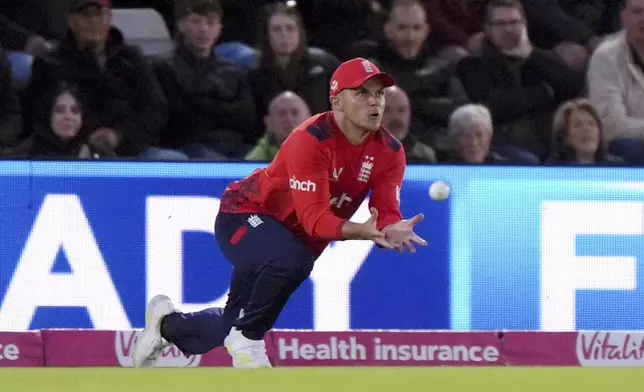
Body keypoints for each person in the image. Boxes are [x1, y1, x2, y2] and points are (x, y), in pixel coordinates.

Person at [132, 57, 427, 369]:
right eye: (362, 93)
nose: (375, 102)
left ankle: (166, 325)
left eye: (379, 94)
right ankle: (249, 339)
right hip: (243, 215)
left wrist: (391, 227)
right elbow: (315, 220)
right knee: (292, 262)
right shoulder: (312, 139)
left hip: (289, 245)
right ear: (337, 100)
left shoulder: (390, 151)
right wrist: (366, 231)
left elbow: (385, 209)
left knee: (226, 326)